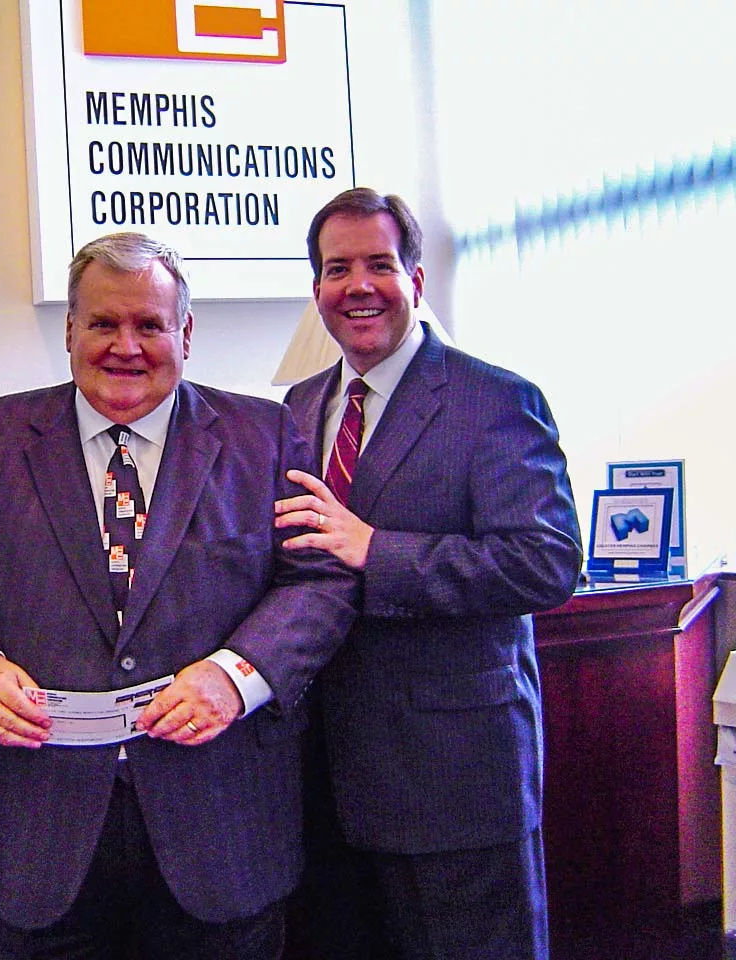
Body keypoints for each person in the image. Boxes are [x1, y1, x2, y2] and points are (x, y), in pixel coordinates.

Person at [0, 232, 358, 960]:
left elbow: (320, 580)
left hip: (221, 835)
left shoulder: (263, 435)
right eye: (104, 323)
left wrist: (239, 677)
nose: (126, 345)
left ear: (187, 333)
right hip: (32, 839)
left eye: (149, 324)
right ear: (70, 329)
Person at [273, 188, 582, 960]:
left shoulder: (496, 400)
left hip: (454, 778)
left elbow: (545, 563)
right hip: (326, 780)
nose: (358, 285)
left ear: (415, 279)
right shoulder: (299, 405)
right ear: (317, 291)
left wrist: (378, 550)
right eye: (336, 268)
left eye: (379, 264)